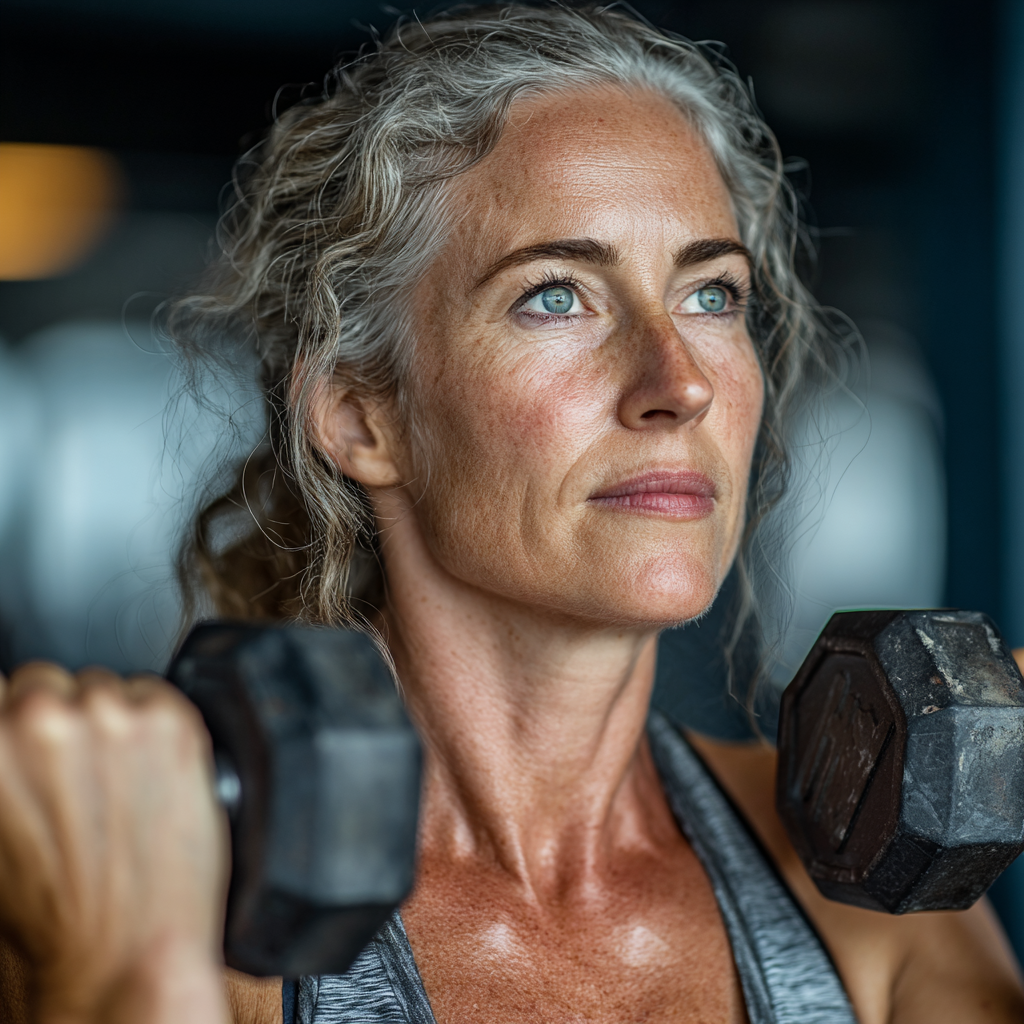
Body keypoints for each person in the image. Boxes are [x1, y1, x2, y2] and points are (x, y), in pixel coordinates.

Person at [0, 6, 1021, 1023]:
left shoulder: (869, 882)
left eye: (711, 295)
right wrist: (122, 975)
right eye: (556, 296)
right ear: (363, 417)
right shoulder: (170, 889)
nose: (677, 385)